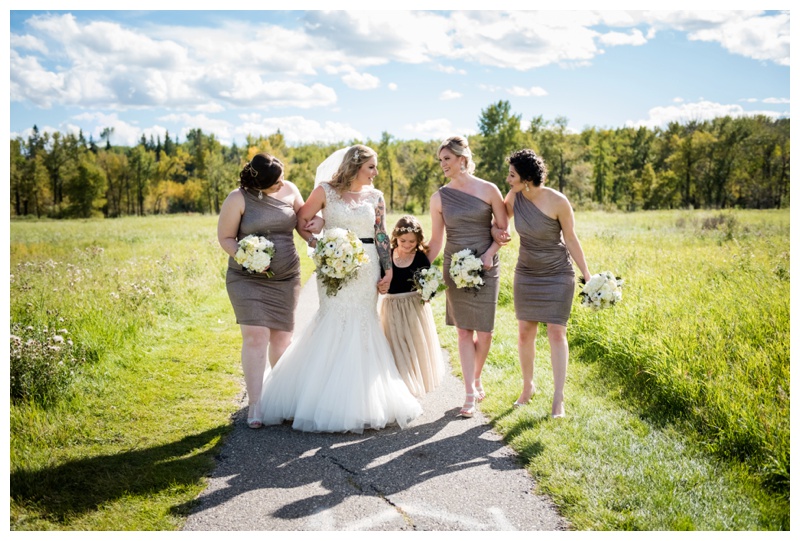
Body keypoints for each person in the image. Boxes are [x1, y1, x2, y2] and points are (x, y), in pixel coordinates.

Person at [258, 145, 422, 433]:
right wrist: (318, 245)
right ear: (356, 166)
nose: (376, 172)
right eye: (371, 166)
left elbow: (381, 232)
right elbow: (302, 221)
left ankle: (361, 400)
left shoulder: (376, 197)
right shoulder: (325, 191)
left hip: (367, 264)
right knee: (333, 318)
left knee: (363, 321)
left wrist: (388, 269)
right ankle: (317, 397)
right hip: (334, 266)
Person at [217, 153, 305, 429]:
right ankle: (255, 403)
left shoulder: (290, 190)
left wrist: (316, 232)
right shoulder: (237, 199)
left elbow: (303, 223)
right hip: (247, 279)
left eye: (282, 179)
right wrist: (247, 256)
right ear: (259, 183)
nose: (282, 184)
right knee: (256, 336)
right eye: (275, 182)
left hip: (286, 277)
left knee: (281, 340)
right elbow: (226, 238)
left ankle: (280, 399)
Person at [502, 149, 590, 418]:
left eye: (512, 174)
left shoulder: (557, 201)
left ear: (527, 177)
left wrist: (587, 274)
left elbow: (571, 239)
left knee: (556, 332)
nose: (508, 179)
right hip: (527, 272)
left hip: (557, 274)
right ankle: (528, 387)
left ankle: (558, 399)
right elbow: (500, 221)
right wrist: (497, 231)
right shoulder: (514, 197)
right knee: (525, 333)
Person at [427, 136, 509, 418]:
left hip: (486, 265)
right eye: (440, 160)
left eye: (447, 159)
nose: (442, 165)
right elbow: (436, 241)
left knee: (485, 332)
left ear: (463, 159)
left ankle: (475, 377)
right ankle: (469, 392)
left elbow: (504, 229)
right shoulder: (438, 198)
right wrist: (421, 269)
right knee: (464, 331)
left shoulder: (489, 190)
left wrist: (490, 252)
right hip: (456, 267)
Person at [378, 215, 445, 397]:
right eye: (403, 240)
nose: (407, 244)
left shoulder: (420, 258)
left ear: (418, 241)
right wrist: (381, 286)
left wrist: (429, 291)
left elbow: (428, 281)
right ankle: (400, 387)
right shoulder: (387, 256)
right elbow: (381, 279)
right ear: (395, 238)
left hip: (414, 307)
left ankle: (413, 385)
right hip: (392, 306)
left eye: (412, 241)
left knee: (413, 345)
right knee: (396, 345)